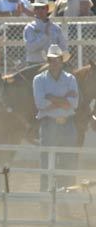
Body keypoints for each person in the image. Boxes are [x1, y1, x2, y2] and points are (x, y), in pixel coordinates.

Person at [33, 44, 79, 191]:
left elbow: (74, 103)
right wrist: (63, 100)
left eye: (57, 59)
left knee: (68, 160)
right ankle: (46, 195)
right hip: (49, 124)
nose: (54, 63)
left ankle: (68, 193)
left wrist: (51, 98)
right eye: (51, 60)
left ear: (61, 60)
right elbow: (40, 103)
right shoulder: (39, 79)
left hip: (65, 124)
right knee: (47, 161)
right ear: (48, 61)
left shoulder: (70, 78)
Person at [23, 0, 67, 65]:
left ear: (47, 9)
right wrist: (45, 36)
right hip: (35, 64)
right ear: (34, 10)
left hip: (53, 65)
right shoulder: (30, 28)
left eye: (42, 8)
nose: (40, 10)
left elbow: (63, 47)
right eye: (37, 8)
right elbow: (30, 47)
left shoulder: (56, 28)